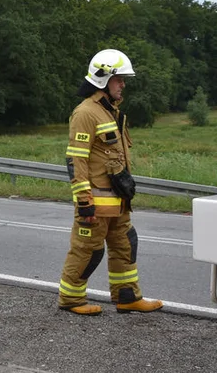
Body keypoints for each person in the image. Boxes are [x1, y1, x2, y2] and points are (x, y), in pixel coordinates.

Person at [57, 49, 163, 315]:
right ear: (103, 78)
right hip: (96, 202)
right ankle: (70, 300)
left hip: (118, 201)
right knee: (87, 251)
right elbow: (76, 160)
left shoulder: (111, 112)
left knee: (126, 245)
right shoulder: (86, 113)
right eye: (119, 79)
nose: (123, 85)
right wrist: (85, 202)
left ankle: (127, 297)